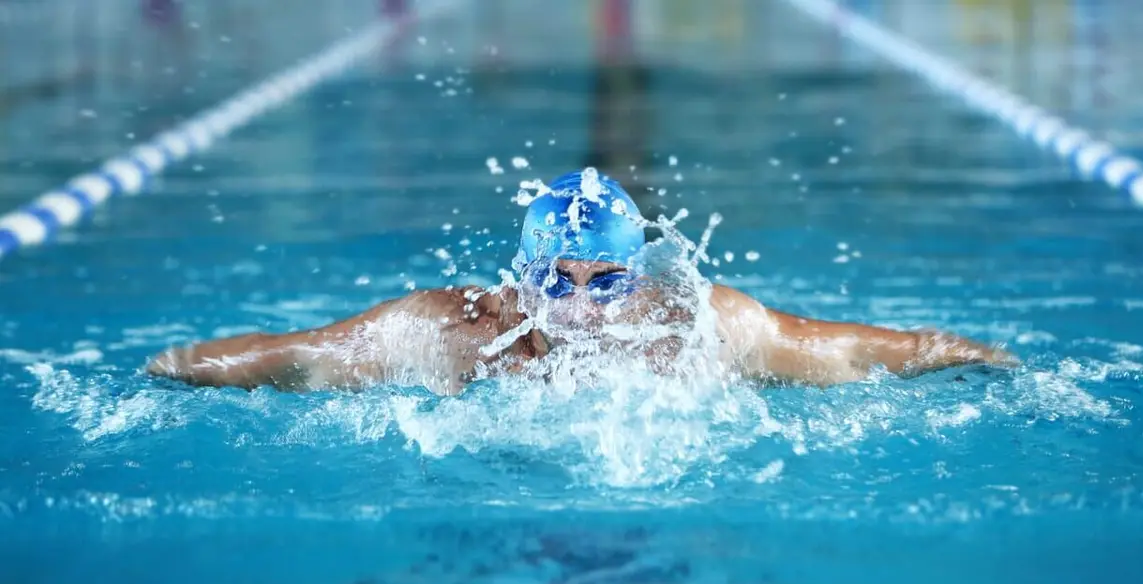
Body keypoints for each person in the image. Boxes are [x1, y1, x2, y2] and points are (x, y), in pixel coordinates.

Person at [146, 169, 1016, 395]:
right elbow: (290, 356)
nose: (576, 307)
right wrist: (173, 365)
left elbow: (859, 347)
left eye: (605, 283)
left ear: (641, 279)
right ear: (521, 277)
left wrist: (979, 356)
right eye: (553, 281)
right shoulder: (453, 329)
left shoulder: (705, 328)